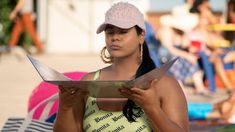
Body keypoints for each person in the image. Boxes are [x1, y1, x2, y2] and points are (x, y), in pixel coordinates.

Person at [53, 2, 189, 132]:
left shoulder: (164, 85)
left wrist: (152, 108)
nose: (115, 38)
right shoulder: (89, 82)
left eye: (123, 31)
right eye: (110, 32)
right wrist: (65, 107)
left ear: (141, 36)